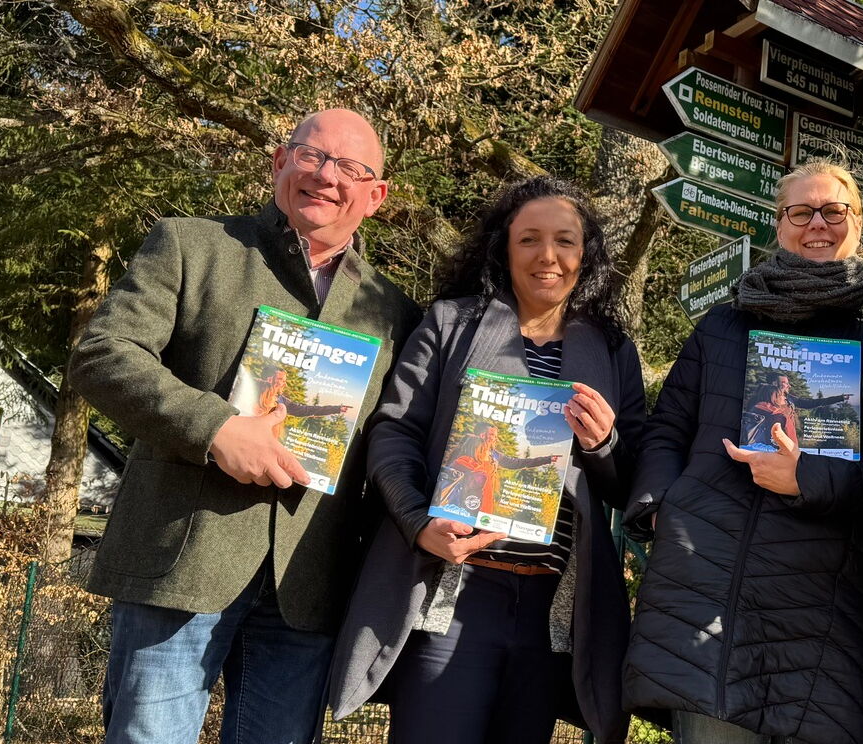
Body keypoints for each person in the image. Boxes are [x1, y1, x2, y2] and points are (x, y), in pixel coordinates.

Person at [70, 109, 421, 744]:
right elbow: (103, 355)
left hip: (307, 586)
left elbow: (398, 441)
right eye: (311, 155)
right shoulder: (191, 245)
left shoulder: (395, 311)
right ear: (280, 162)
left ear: (375, 196)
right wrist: (217, 429)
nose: (326, 176)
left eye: (350, 167)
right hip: (179, 563)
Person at [327, 176, 647, 744]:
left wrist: (604, 444)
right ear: (504, 247)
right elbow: (394, 432)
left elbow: (632, 480)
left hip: (551, 609)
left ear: (586, 254)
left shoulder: (613, 350)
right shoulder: (449, 323)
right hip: (453, 590)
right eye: (529, 239)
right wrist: (418, 522)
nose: (547, 255)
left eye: (565, 241)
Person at [622, 161, 863, 744]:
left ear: (859, 224)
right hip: (706, 576)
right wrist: (661, 507)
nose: (817, 224)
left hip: (821, 599)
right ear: (778, 224)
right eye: (801, 212)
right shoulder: (723, 325)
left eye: (834, 211)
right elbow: (667, 428)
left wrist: (809, 479)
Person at [436, 425, 561, 514]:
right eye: (492, 435)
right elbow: (449, 475)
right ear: (482, 435)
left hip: (486, 500)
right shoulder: (463, 452)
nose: (495, 438)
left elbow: (517, 463)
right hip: (461, 502)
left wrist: (547, 459)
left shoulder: (494, 455)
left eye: (496, 436)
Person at [739, 373, 850, 448]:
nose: (789, 386)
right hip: (770, 446)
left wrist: (839, 398)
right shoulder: (759, 401)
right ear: (774, 383)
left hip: (790, 441)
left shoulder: (789, 398)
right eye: (785, 383)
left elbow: (811, 403)